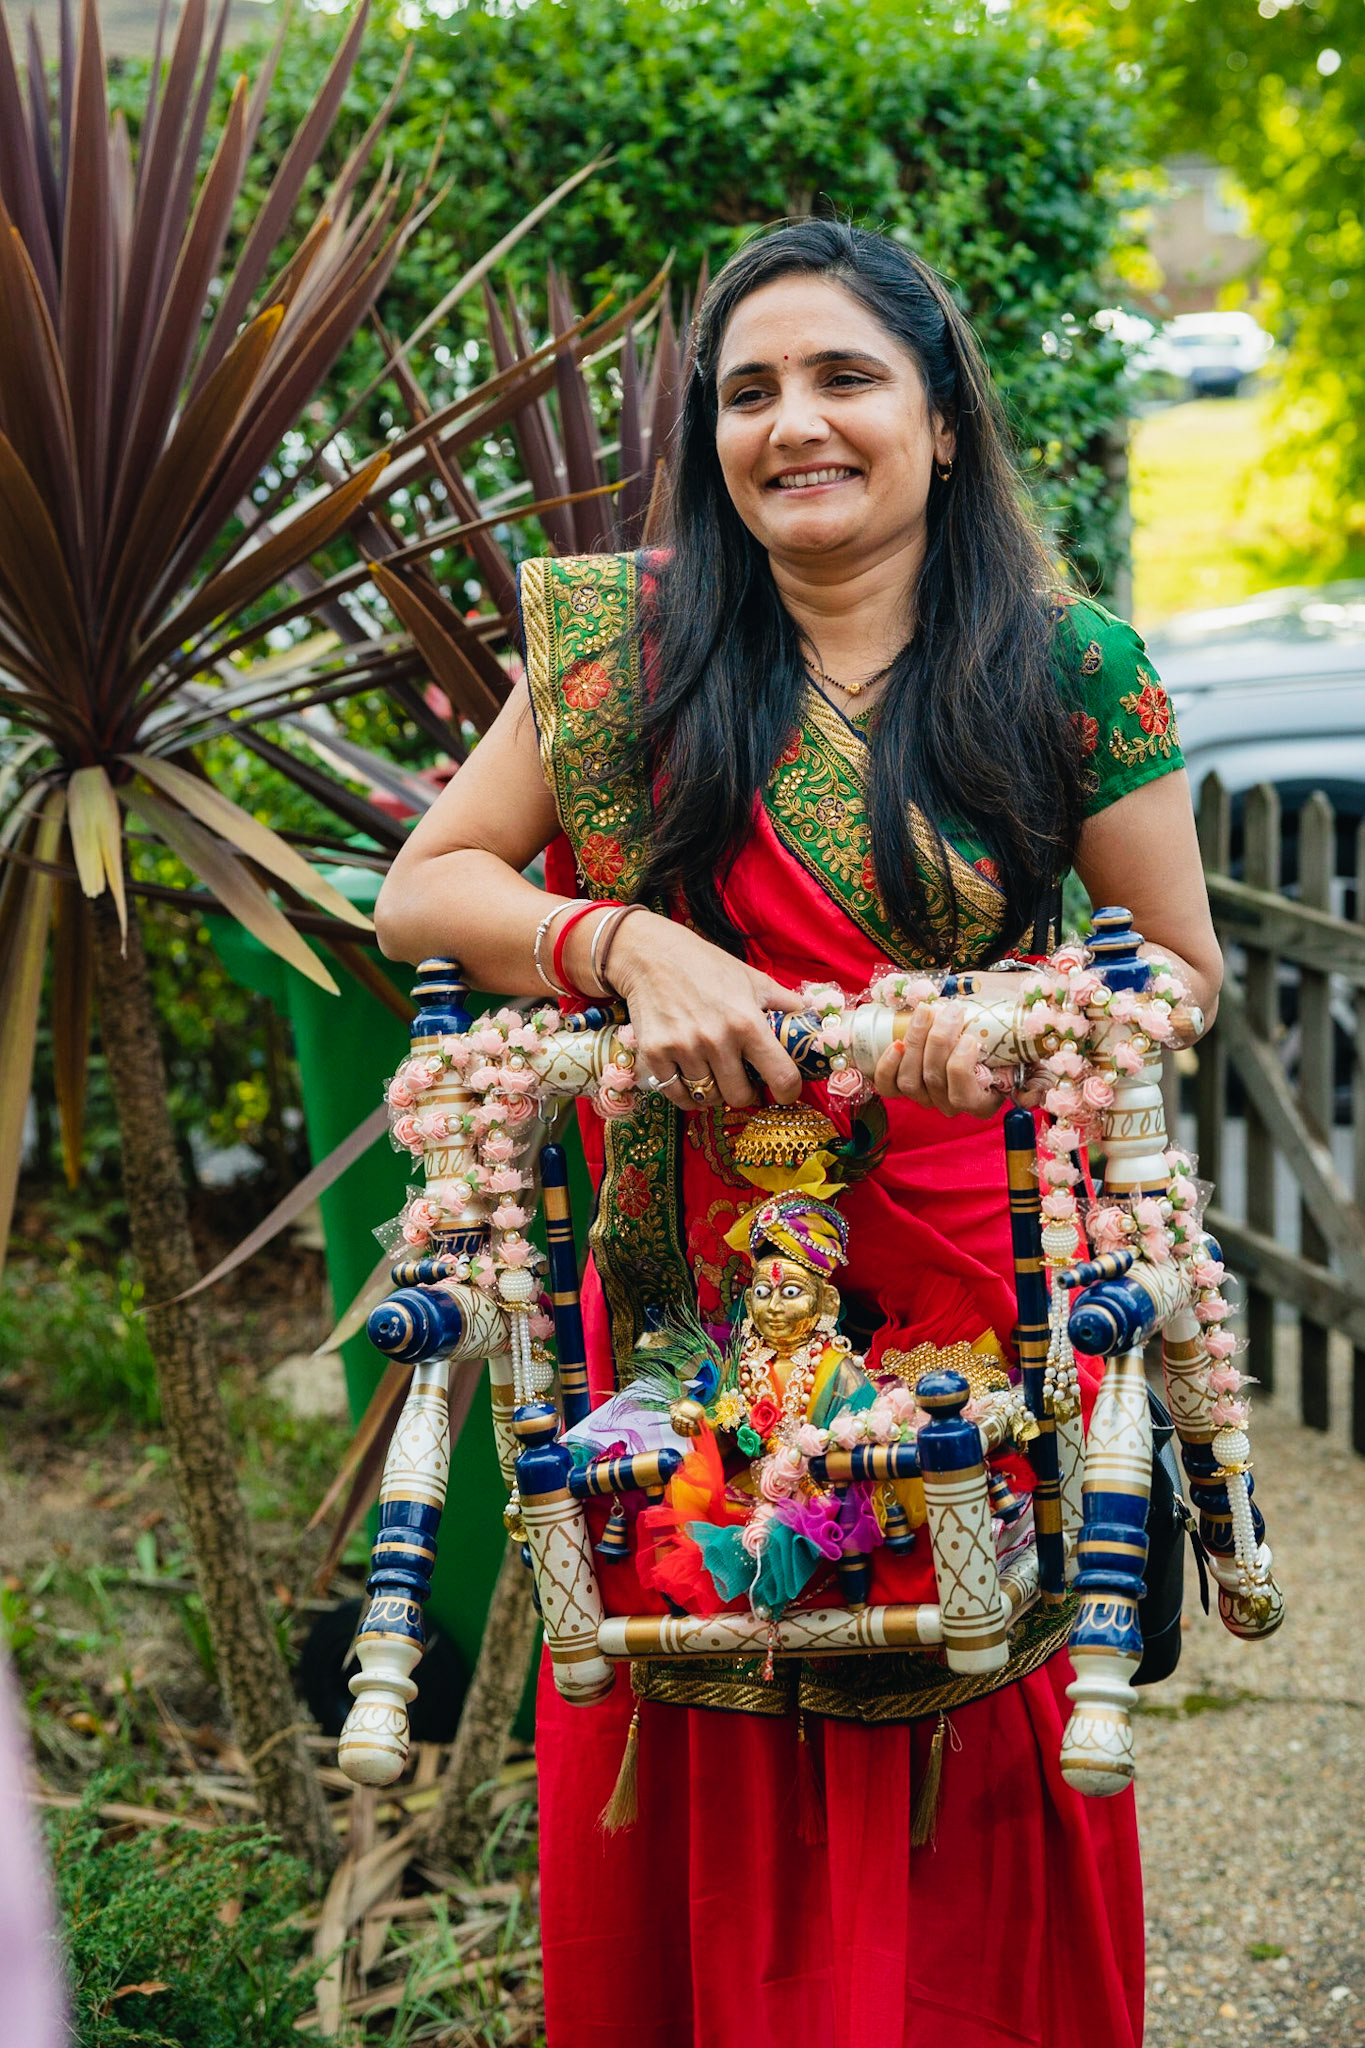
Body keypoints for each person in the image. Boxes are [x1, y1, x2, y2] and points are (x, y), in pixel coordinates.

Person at [376, 219, 1221, 2048]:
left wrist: (1014, 1018)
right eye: (749, 391)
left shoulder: (1068, 665)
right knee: (698, 1659)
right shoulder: (625, 651)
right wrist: (624, 943)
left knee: (964, 1722)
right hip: (682, 1296)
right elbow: (423, 889)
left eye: (846, 377)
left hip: (976, 1298)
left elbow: (1175, 967)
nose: (795, 424)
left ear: (940, 417)